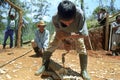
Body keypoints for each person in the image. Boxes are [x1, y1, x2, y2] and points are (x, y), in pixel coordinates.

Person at [35, 1, 91, 80]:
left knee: (81, 47)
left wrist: (70, 36)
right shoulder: (55, 18)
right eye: (65, 22)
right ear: (59, 17)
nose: (68, 24)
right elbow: (59, 34)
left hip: (76, 32)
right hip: (62, 33)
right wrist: (65, 42)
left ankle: (84, 70)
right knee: (51, 45)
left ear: (75, 16)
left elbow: (84, 35)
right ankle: (44, 65)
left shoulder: (80, 14)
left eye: (70, 21)